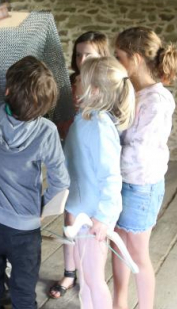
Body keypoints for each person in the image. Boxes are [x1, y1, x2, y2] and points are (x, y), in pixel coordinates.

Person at [0, 14, 70, 309]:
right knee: (24, 294)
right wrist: (41, 207)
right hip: (25, 229)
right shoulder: (46, 131)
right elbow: (60, 181)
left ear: (8, 91)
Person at [112, 27, 177, 309]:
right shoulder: (135, 91)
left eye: (119, 56)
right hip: (121, 181)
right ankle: (119, 303)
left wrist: (107, 152)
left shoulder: (157, 100)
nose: (116, 63)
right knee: (118, 245)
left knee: (137, 254)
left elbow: (138, 150)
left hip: (140, 186)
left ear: (136, 58)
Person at [64, 56, 135, 309]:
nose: (76, 82)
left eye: (80, 79)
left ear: (93, 90)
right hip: (83, 210)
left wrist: (104, 217)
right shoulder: (85, 118)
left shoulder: (100, 126)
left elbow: (111, 176)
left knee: (94, 278)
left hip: (95, 217)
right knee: (84, 275)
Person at [50, 30, 110, 299]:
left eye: (89, 54)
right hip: (70, 159)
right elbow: (64, 118)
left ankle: (89, 277)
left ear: (102, 57)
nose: (82, 58)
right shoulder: (72, 83)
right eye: (79, 53)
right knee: (69, 218)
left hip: (93, 166)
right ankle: (69, 272)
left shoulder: (107, 86)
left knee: (90, 227)